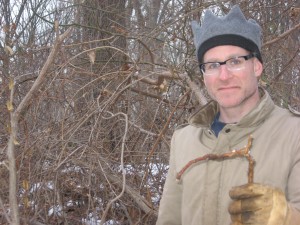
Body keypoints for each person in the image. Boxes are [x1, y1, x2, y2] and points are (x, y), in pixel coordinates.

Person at [156, 5, 300, 225]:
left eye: (235, 62)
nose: (223, 76)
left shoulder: (294, 134)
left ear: (257, 66)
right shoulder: (184, 140)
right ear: (204, 75)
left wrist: (286, 217)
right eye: (212, 65)